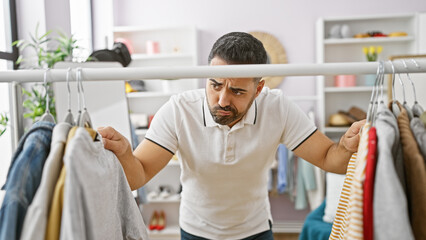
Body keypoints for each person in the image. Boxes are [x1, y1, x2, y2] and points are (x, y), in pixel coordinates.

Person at [98, 32, 364, 240]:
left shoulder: (278, 107)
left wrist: (346, 144)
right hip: (195, 231)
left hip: (255, 231)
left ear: (259, 88)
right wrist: (123, 153)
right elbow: (138, 175)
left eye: (237, 91)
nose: (222, 100)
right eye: (215, 85)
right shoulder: (179, 110)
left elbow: (332, 160)